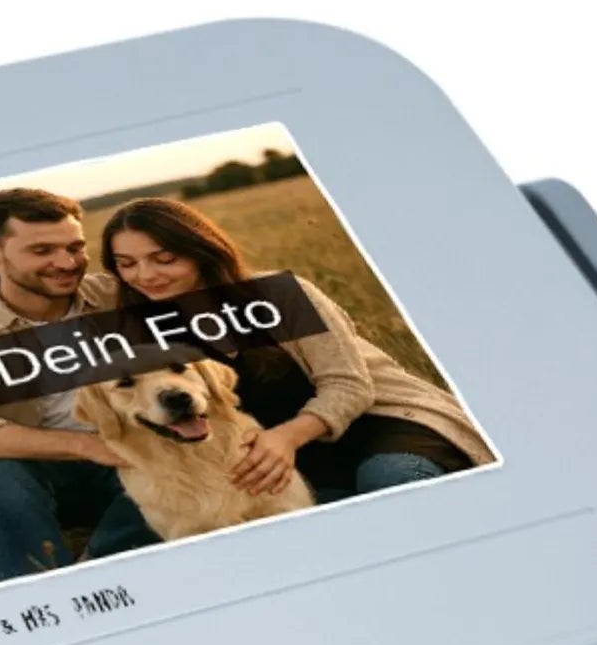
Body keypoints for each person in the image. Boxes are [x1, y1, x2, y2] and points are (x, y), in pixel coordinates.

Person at [98, 196, 495, 502]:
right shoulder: (148, 339)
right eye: (126, 264)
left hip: (380, 425)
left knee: (393, 482)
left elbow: (350, 385)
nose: (145, 275)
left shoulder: (279, 294)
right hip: (295, 460)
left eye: (164, 259)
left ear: (201, 250)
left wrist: (288, 437)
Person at [0, 187, 159, 581]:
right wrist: (84, 445)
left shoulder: (116, 296)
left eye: (75, 247)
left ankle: (92, 571)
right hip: (32, 475)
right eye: (42, 251)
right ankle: (41, 591)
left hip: (129, 460)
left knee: (183, 462)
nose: (66, 263)